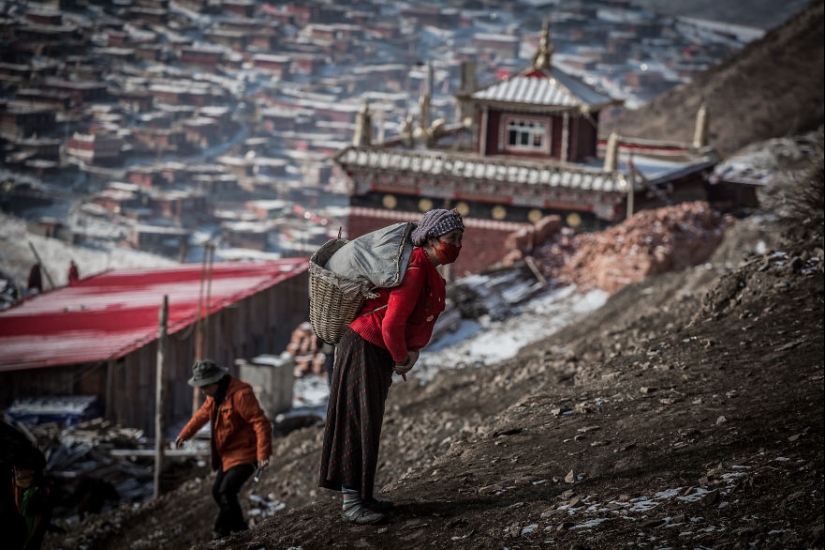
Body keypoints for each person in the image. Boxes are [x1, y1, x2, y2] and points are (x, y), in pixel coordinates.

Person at [318, 208, 464, 525]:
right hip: (365, 345)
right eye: (452, 239)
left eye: (459, 239)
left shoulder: (427, 269)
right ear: (431, 238)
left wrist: (411, 352)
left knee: (367, 420)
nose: (457, 245)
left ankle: (363, 496)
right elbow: (390, 325)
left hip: (375, 350)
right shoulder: (414, 268)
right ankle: (352, 503)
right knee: (358, 420)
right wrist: (402, 358)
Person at [175, 360, 272, 540]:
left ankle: (238, 533)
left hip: (247, 453)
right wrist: (185, 434)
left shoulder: (241, 395)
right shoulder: (214, 397)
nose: (203, 391)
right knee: (217, 491)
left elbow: (261, 424)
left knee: (226, 491)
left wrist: (263, 454)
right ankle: (225, 530)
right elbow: (202, 415)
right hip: (228, 455)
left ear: (215, 382)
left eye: (205, 386)